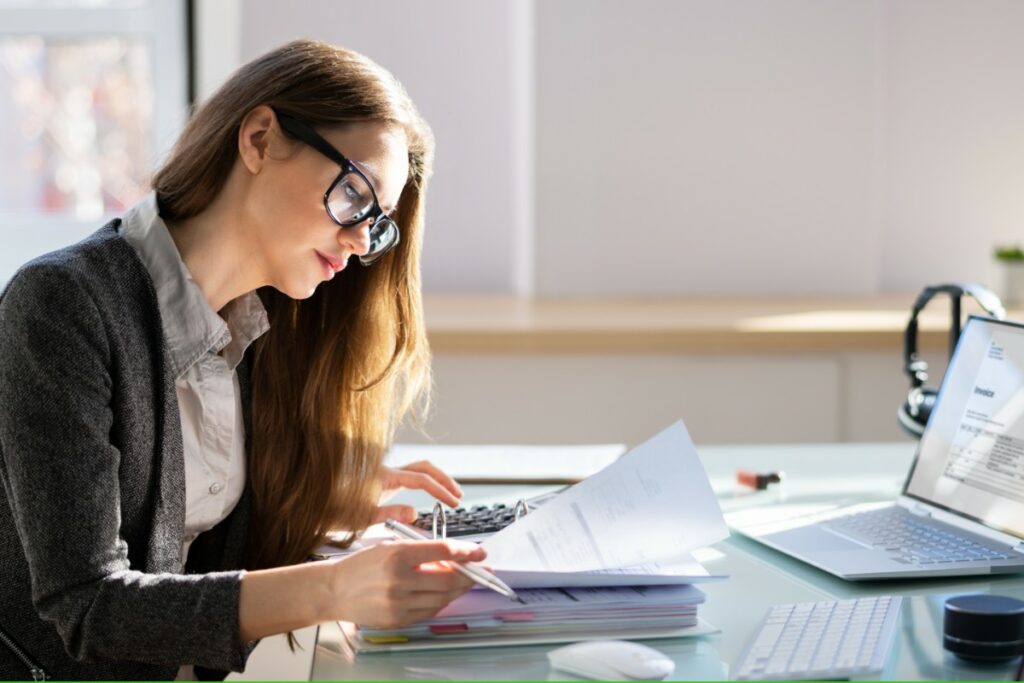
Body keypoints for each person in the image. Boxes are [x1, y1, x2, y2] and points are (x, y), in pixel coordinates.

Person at [0, 39, 486, 680]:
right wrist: (336, 587)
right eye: (355, 195)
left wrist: (316, 498)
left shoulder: (267, 326)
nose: (360, 238)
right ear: (259, 139)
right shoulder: (63, 304)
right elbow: (89, 608)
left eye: (378, 222)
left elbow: (179, 530)